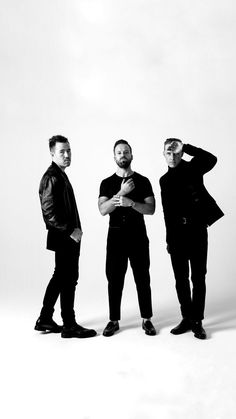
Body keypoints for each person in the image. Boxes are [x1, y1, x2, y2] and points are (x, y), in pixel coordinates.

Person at [160, 139, 224, 339]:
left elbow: (211, 159)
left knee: (198, 277)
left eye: (176, 153)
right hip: (177, 234)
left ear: (181, 153)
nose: (172, 157)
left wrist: (186, 147)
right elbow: (167, 212)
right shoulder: (164, 180)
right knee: (181, 279)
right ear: (163, 154)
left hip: (197, 230)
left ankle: (197, 320)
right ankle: (186, 317)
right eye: (168, 153)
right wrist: (169, 239)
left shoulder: (193, 168)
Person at [35, 135, 96, 339]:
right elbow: (49, 213)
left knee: (62, 277)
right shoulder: (52, 176)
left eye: (69, 150)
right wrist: (71, 230)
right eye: (62, 151)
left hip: (66, 238)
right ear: (52, 153)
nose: (67, 154)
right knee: (67, 279)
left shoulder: (59, 174)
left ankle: (45, 318)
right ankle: (69, 324)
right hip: (64, 238)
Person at [98, 139, 156, 337]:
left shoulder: (143, 181)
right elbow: (103, 210)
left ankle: (147, 319)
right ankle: (113, 320)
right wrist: (121, 193)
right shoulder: (106, 183)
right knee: (114, 280)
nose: (123, 155)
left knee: (142, 278)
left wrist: (131, 203)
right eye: (119, 153)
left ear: (132, 155)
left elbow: (151, 209)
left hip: (138, 235)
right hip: (115, 237)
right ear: (114, 157)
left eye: (126, 152)